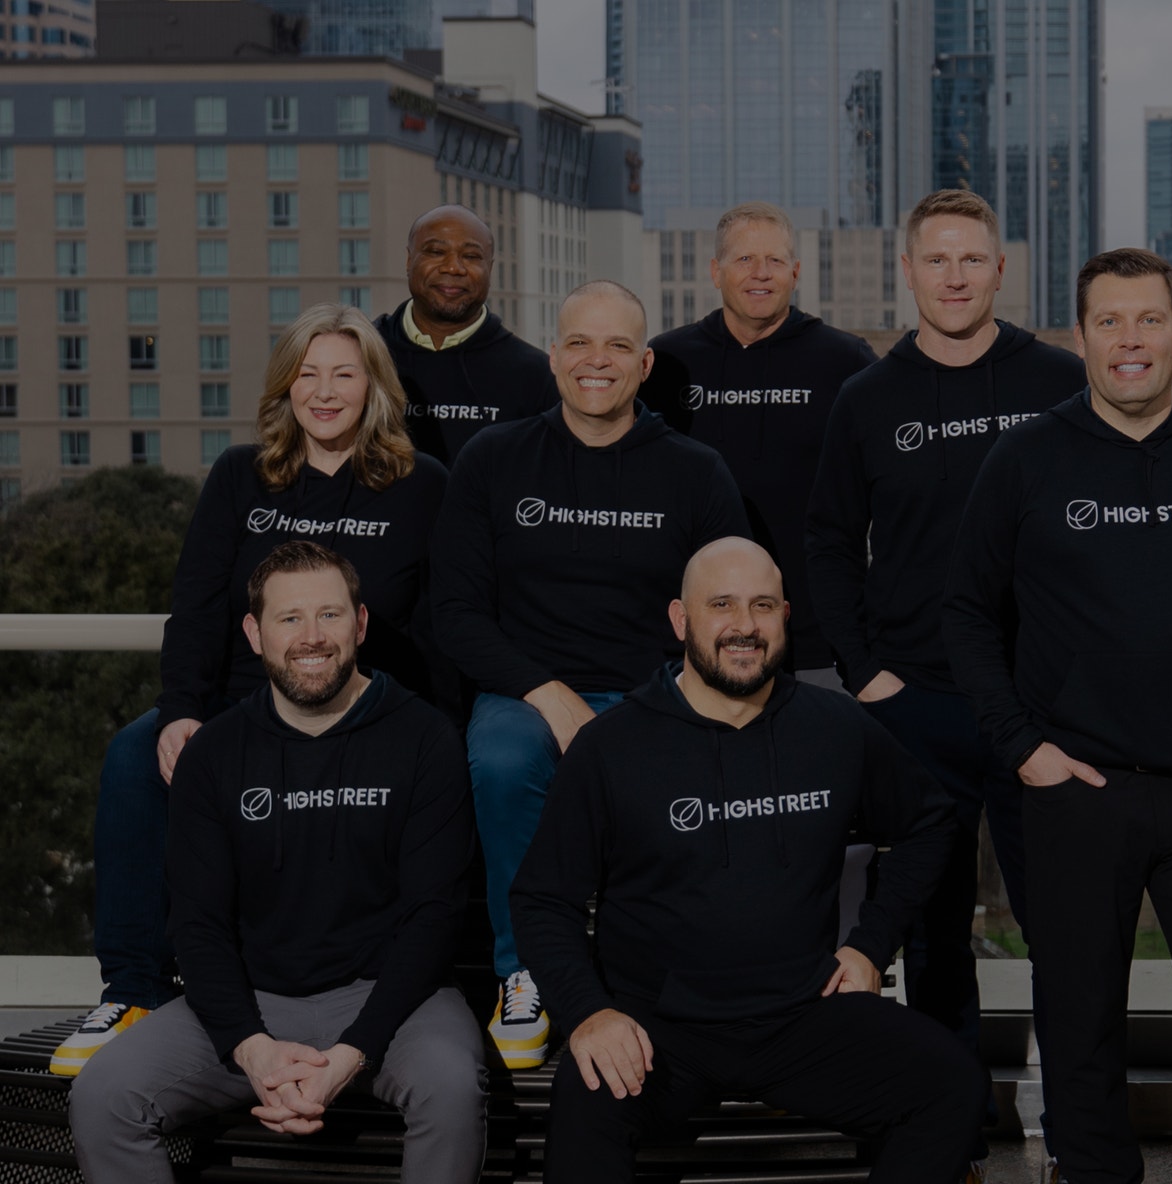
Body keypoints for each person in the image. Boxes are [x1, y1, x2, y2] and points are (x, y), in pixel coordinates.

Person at [945, 247, 1172, 1184]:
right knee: (1079, 1024)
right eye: (1109, 321)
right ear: (1081, 338)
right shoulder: (1026, 456)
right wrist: (1021, 746)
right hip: (1078, 790)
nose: (1130, 340)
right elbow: (964, 612)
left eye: (1149, 319)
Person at [510, 538, 983, 1183]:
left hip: (803, 1013)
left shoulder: (835, 728)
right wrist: (590, 1012)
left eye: (763, 605)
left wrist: (870, 945)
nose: (744, 626)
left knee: (952, 1084)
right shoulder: (611, 747)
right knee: (584, 1107)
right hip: (662, 1030)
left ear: (786, 617)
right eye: (722, 605)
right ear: (681, 620)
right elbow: (543, 898)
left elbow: (931, 823)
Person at [55, 306, 448, 1076]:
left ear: (374, 388)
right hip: (241, 704)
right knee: (136, 757)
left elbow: (439, 626)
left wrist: (434, 729)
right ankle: (133, 989)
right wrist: (181, 712)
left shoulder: (419, 484)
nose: (325, 392)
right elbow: (198, 606)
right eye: (308, 374)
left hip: (362, 707)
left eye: (344, 374)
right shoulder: (244, 474)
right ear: (285, 388)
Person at [804, 188, 1085, 1166]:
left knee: (1062, 922)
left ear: (1001, 270)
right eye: (938, 260)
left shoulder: (1059, 380)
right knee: (929, 936)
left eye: (974, 259)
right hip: (913, 708)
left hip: (1038, 706)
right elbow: (829, 545)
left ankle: (1068, 1120)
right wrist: (868, 673)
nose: (956, 276)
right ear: (910, 272)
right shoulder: (868, 399)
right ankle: (950, 1125)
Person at [69, 541, 485, 1184]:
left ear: (362, 624)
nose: (311, 637)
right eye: (289, 618)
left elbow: (434, 917)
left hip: (393, 996)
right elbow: (197, 924)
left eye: (330, 615)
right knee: (105, 1096)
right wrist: (252, 1047)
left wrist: (352, 1053)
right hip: (252, 998)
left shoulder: (425, 738)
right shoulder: (214, 754)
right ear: (254, 633)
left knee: (452, 1090)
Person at [430, 280, 748, 1071]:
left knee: (685, 768)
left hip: (657, 691)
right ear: (553, 357)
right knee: (502, 760)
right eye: (578, 343)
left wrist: (663, 700)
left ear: (643, 365)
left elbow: (730, 608)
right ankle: (524, 973)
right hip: (525, 690)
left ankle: (667, 975)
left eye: (615, 347)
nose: (594, 361)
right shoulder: (494, 459)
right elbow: (457, 611)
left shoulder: (694, 470)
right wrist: (546, 692)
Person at [642, 201, 878, 683]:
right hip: (694, 638)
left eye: (774, 261)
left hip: (819, 637)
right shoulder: (666, 362)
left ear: (796, 271)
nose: (760, 274)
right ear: (715, 271)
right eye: (744, 259)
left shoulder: (846, 362)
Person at [374, 204, 559, 464]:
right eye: (436, 252)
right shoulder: (361, 355)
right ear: (408, 260)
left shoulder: (537, 375)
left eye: (471, 256)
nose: (453, 268)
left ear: (490, 269)